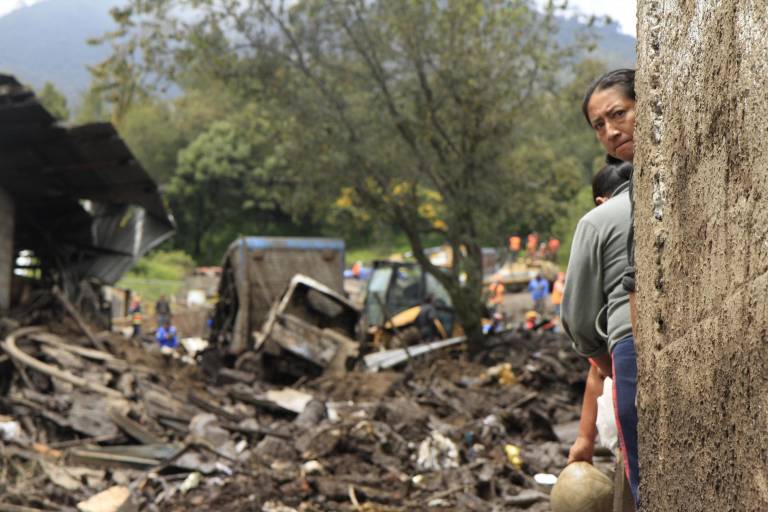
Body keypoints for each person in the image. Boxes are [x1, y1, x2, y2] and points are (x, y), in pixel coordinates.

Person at [566, 67, 639, 506]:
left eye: (619, 114)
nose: (611, 132)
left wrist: (603, 358)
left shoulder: (596, 222)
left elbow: (577, 321)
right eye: (600, 125)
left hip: (626, 351)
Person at [567, 163, 631, 467]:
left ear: (600, 202)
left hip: (627, 343)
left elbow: (580, 324)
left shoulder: (597, 221)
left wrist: (583, 442)